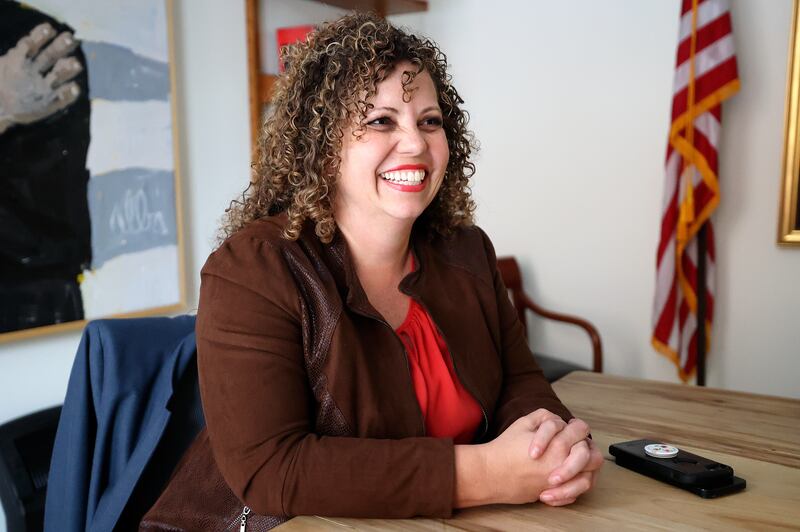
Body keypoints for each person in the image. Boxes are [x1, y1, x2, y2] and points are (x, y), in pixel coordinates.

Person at [196, 11, 603, 522]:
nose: (415, 143)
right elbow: (272, 470)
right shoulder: (251, 271)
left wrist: (554, 450)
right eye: (380, 120)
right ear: (322, 149)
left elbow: (520, 382)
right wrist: (486, 474)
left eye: (429, 121)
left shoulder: (467, 250)